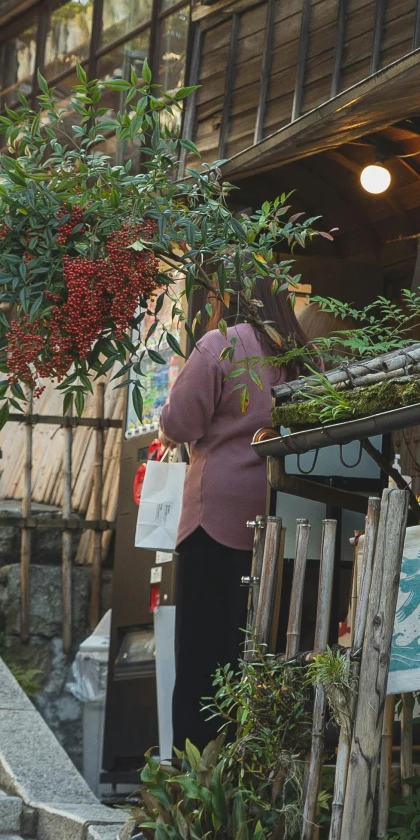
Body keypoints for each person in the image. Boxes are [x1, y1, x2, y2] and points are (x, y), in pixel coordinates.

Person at [159, 282, 310, 749]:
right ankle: (260, 766)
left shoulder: (222, 342)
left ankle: (199, 779)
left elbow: (178, 424)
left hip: (215, 522)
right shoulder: (302, 355)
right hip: (285, 521)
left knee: (204, 656)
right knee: (266, 654)